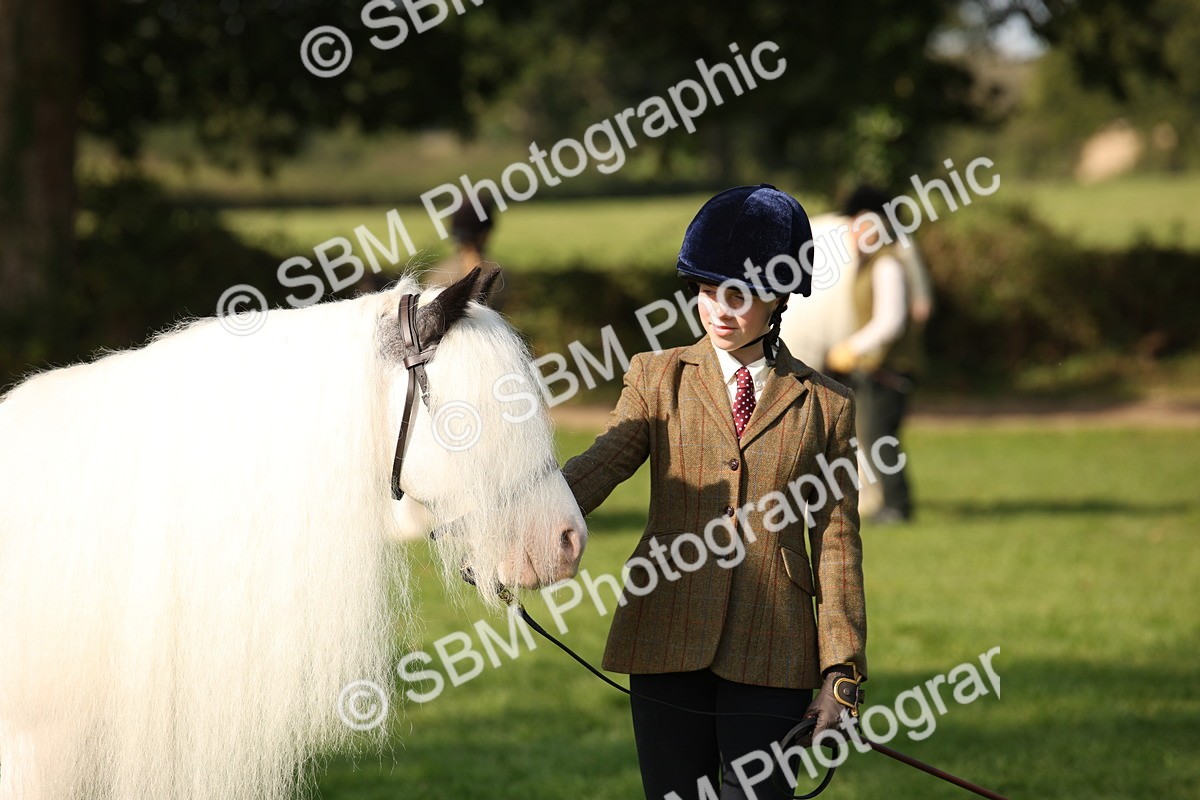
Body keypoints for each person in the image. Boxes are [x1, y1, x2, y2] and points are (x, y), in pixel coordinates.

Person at [561, 185, 867, 800]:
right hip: (664, 628)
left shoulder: (827, 406)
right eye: (706, 291)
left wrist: (842, 673)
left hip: (774, 645)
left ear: (779, 296)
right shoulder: (656, 376)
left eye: (740, 296)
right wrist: (510, 518)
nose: (719, 311)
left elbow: (836, 545)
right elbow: (599, 467)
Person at [825, 185, 924, 524]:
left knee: (881, 439)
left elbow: (890, 321)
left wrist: (852, 347)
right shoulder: (874, 264)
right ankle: (892, 504)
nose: (851, 233)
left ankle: (897, 506)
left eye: (857, 225)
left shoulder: (886, 266)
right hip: (877, 368)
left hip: (889, 368)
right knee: (875, 436)